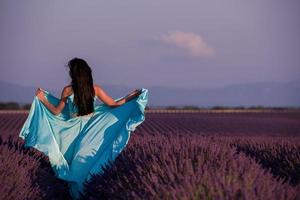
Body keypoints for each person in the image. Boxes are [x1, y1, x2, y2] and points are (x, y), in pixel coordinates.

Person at [19, 57, 149, 199]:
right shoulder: (95, 89)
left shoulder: (68, 90)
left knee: (73, 164)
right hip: (91, 129)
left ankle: (78, 195)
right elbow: (114, 104)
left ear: (73, 74)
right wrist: (131, 97)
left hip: (71, 131)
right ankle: (88, 193)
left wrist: (43, 99)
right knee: (85, 163)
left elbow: (56, 111)